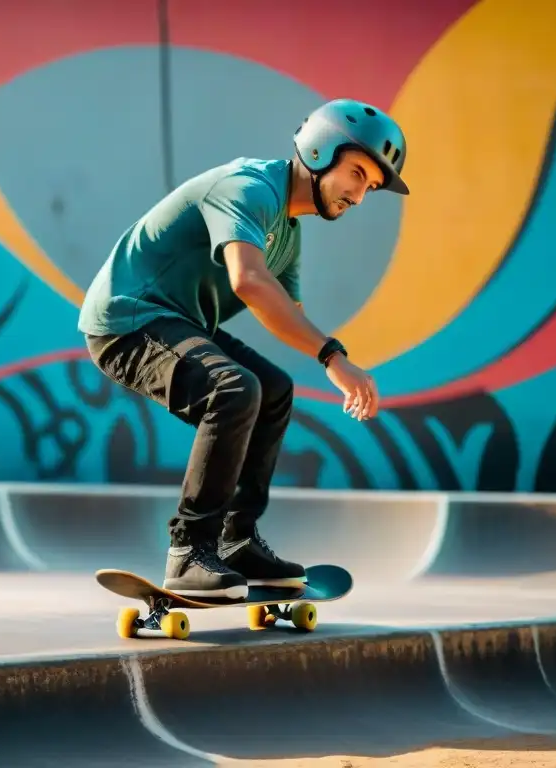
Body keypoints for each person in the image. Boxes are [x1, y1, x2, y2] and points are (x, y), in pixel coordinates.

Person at [78, 99, 409, 600]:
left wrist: (328, 356)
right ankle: (189, 550)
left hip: (180, 322)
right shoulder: (248, 188)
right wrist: (335, 359)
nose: (360, 196)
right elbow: (250, 282)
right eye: (357, 174)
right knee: (233, 388)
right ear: (320, 150)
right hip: (128, 320)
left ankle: (235, 541)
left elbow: (286, 313)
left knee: (273, 391)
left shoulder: (287, 236)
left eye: (371, 188)